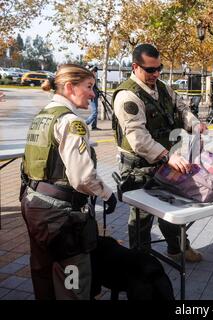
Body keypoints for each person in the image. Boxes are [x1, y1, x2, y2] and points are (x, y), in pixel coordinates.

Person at [20, 64, 117, 300]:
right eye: (89, 86)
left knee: (43, 274)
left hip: (35, 206)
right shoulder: (71, 122)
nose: (93, 93)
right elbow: (83, 177)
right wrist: (107, 194)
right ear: (70, 87)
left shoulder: (43, 116)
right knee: (72, 282)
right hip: (61, 217)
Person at [112, 44, 207, 262]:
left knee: (173, 206)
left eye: (159, 69)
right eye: (150, 70)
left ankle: (178, 248)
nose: (156, 74)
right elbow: (139, 139)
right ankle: (139, 264)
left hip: (166, 160)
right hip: (139, 165)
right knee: (142, 217)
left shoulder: (162, 87)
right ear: (135, 67)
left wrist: (194, 125)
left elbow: (181, 108)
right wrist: (168, 156)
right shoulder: (128, 96)